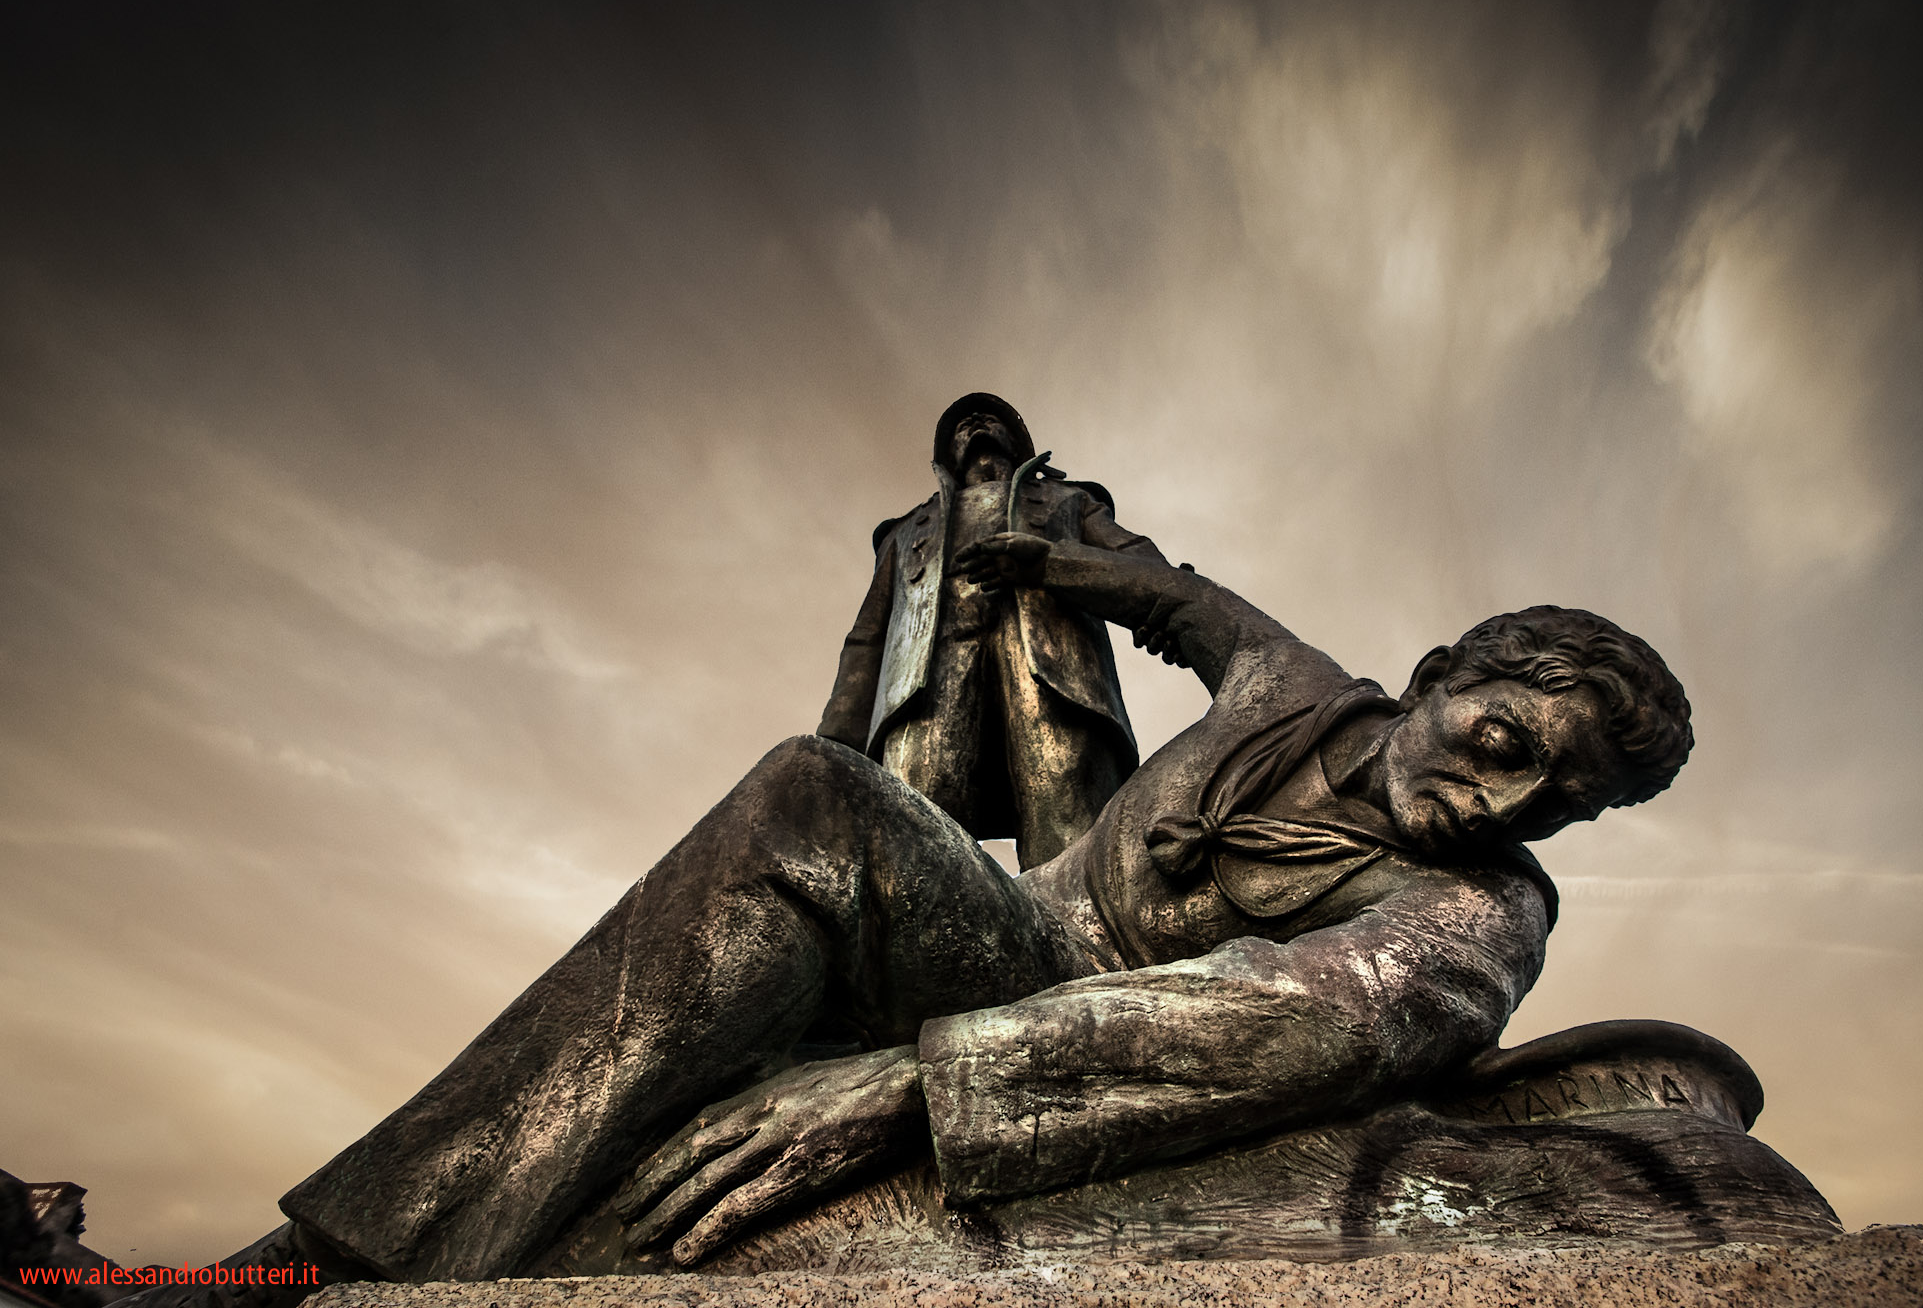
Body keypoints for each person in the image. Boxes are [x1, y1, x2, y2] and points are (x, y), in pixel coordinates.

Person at [140, 533, 1690, 1302]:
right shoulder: (1301, 689)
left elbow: (1305, 1018)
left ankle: (341, 1275)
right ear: (1436, 679)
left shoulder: (1481, 917)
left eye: (1556, 800)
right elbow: (1182, 608)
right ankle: (298, 1261)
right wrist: (1032, 549)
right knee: (818, 795)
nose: (1505, 803)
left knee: (813, 825)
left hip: (1058, 1039)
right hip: (999, 934)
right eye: (1502, 742)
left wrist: (907, 1084)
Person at [818, 393, 1173, 869]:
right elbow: (867, 639)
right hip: (925, 691)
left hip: (1054, 674)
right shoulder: (906, 531)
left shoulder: (1071, 502)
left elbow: (1132, 556)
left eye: (991, 418)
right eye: (962, 425)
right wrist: (837, 743)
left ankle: (1077, 939)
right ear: (945, 455)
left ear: (1020, 443)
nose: (977, 424)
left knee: (1070, 828)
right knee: (918, 839)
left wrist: (1169, 607)